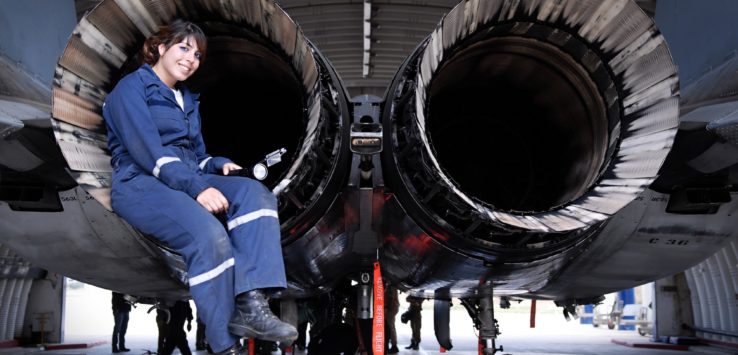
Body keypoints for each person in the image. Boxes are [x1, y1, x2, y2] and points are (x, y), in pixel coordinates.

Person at [102, 19, 297, 355]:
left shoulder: (187, 99)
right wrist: (197, 188)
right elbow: (151, 155)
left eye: (197, 55)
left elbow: (196, 156)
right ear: (161, 48)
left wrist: (219, 164)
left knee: (255, 194)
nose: (191, 59)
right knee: (210, 236)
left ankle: (251, 304)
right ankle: (224, 345)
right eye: (184, 48)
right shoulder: (130, 90)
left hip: (184, 176)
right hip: (140, 183)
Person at [384, 285, 400, 354]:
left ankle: (394, 346)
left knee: (390, 327)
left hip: (391, 309)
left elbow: (392, 297)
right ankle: (393, 345)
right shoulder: (390, 285)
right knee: (391, 326)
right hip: (391, 308)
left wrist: (387, 307)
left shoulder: (391, 285)